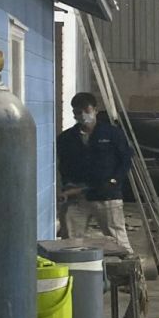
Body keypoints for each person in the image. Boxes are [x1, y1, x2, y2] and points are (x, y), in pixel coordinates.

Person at [57, 92, 135, 253]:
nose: (83, 115)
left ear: (95, 110)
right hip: (77, 198)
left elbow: (125, 160)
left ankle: (126, 265)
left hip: (107, 196)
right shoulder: (66, 138)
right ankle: (75, 267)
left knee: (118, 242)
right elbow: (63, 165)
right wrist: (67, 186)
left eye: (86, 110)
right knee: (70, 243)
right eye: (78, 112)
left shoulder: (112, 134)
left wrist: (114, 181)